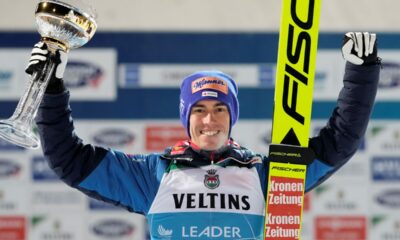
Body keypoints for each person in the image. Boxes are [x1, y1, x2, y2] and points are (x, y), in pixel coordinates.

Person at [27, 32, 381, 239]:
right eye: (198, 109)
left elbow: (339, 143)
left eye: (219, 109)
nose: (209, 119)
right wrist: (51, 87)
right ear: (186, 117)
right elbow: (69, 159)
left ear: (232, 117)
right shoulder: (154, 174)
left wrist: (361, 74)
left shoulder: (265, 174)